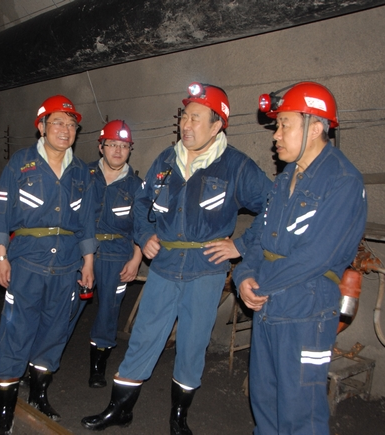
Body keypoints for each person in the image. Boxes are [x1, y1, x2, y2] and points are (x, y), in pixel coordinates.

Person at [82, 82, 271, 434]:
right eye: (184, 116)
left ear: (217, 125)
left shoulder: (236, 166)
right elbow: (142, 202)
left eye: (196, 117)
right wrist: (145, 236)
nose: (186, 124)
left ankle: (178, 417)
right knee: (144, 335)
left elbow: (274, 206)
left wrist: (242, 246)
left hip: (206, 268)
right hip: (166, 265)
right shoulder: (166, 161)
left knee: (192, 344)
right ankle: (120, 408)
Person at [233, 82, 367, 434]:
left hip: (307, 309)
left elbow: (317, 256)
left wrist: (260, 283)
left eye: (284, 124)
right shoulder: (284, 179)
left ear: (316, 126)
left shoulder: (343, 181)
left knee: (300, 412)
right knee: (264, 400)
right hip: (269, 305)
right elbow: (260, 238)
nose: (275, 135)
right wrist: (243, 275)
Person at [0, 95, 97, 434]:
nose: (65, 129)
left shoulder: (82, 171)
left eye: (71, 124)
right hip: (27, 263)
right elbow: (1, 212)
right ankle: (4, 416)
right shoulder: (21, 164)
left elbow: (87, 222)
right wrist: (0, 256)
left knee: (54, 333)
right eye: (58, 122)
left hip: (66, 266)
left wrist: (88, 263)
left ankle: (38, 395)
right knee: (15, 334)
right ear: (42, 127)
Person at [69, 120, 143, 388]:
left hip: (117, 255)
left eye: (124, 146)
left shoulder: (138, 186)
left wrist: (136, 259)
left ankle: (98, 367)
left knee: (109, 311)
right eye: (112, 144)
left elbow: (143, 226)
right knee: (66, 306)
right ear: (101, 147)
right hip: (80, 252)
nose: (118, 151)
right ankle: (45, 361)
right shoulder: (82, 175)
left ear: (130, 150)